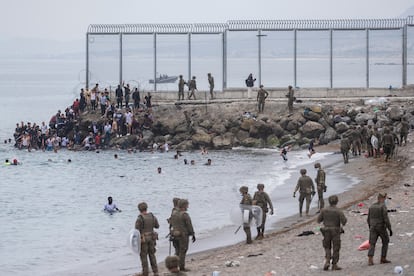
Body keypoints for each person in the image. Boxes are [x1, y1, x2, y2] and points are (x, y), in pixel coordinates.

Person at [317, 195, 347, 271]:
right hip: (336, 231)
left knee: (327, 246)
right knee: (336, 247)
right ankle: (334, 264)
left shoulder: (324, 210)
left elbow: (318, 220)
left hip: (326, 230)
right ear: (336, 202)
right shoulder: (338, 211)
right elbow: (344, 221)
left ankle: (327, 260)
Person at [169, 199, 195, 272]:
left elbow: (170, 223)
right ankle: (182, 267)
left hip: (174, 234)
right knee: (182, 251)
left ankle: (174, 266)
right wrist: (192, 234)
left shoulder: (173, 213)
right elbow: (189, 225)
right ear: (184, 206)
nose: (188, 207)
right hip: (183, 236)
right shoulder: (184, 214)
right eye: (187, 205)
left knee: (177, 251)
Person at [367, 192, 393, 266]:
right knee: (385, 241)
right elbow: (386, 219)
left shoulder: (372, 206)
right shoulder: (383, 206)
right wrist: (390, 229)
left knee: (372, 243)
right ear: (382, 198)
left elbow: (368, 219)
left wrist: (370, 226)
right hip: (381, 227)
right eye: (385, 198)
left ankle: (370, 259)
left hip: (372, 227)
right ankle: (383, 258)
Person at [135, 202, 160, 276]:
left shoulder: (140, 218)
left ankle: (145, 273)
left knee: (143, 256)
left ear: (139, 209)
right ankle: (155, 272)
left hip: (143, 239)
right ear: (146, 208)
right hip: (152, 238)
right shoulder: (152, 216)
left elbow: (136, 230)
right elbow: (157, 226)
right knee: (152, 255)